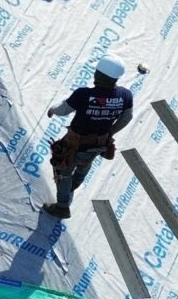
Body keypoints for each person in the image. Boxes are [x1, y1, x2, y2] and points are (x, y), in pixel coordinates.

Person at [42, 56, 136, 220]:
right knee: (85, 163)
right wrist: (110, 133)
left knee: (63, 171)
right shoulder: (125, 95)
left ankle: (62, 207)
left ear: (98, 74)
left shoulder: (84, 94)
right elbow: (127, 118)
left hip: (74, 143)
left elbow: (63, 110)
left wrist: (52, 109)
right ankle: (73, 187)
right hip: (98, 143)